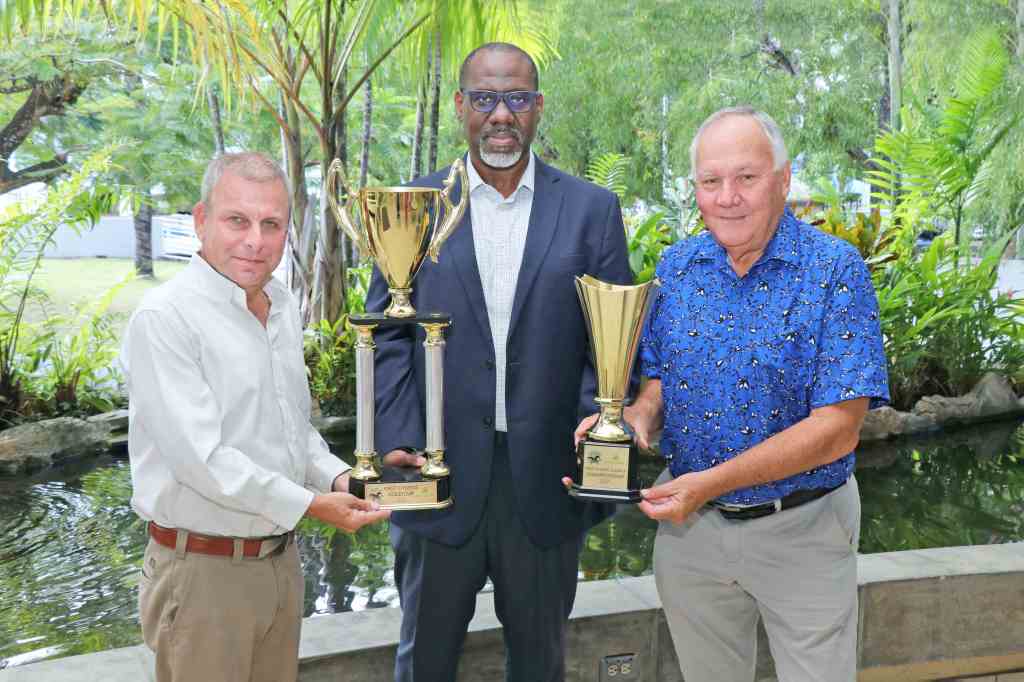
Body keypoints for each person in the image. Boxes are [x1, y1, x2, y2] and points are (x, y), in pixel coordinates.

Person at [580, 107, 890, 682]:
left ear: (783, 179)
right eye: (710, 181)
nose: (728, 197)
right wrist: (631, 423)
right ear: (695, 188)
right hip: (692, 539)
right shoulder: (678, 266)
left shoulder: (834, 270)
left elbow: (838, 427)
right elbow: (660, 384)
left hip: (803, 528)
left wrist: (708, 483)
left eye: (746, 177)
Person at [368, 43, 632, 682]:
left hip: (545, 486)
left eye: (516, 98)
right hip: (439, 481)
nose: (501, 114)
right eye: (485, 98)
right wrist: (403, 437)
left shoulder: (591, 210)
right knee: (423, 664)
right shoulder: (414, 205)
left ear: (537, 108)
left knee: (540, 665)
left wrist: (597, 430)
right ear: (461, 106)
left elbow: (613, 340)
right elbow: (388, 335)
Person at [121, 152, 390, 682]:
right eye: (236, 220)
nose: (255, 240)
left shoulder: (282, 305)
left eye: (271, 224)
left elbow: (295, 431)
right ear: (201, 220)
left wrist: (343, 477)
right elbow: (204, 462)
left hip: (279, 562)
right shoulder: (165, 319)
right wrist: (314, 504)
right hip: (202, 577)